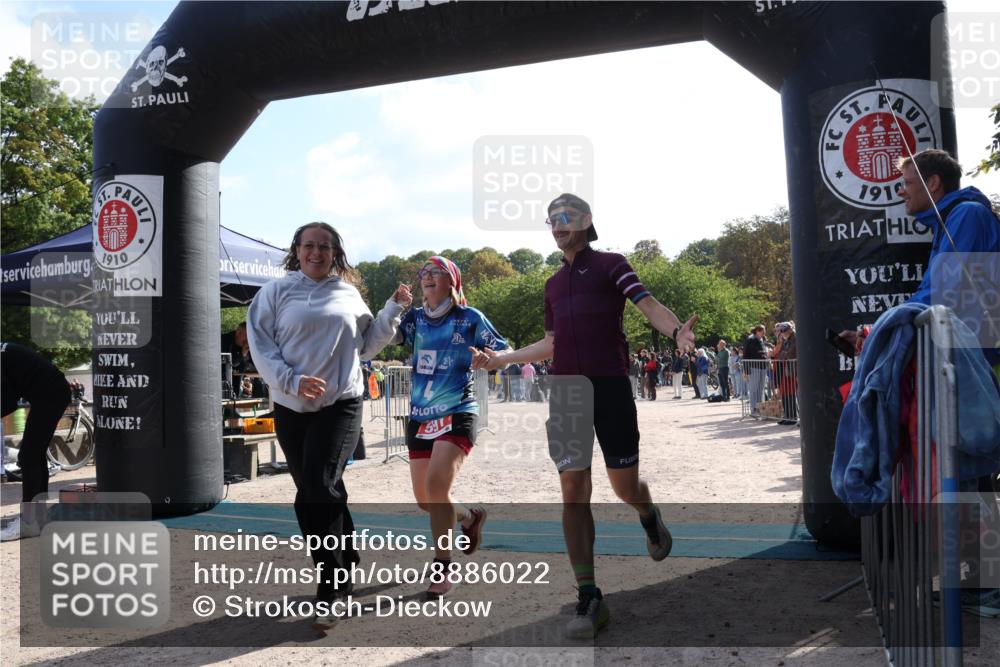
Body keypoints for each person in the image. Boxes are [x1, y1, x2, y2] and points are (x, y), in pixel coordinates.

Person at [470, 193, 697, 639]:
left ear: (587, 220)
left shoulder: (612, 263)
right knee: (573, 490)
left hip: (610, 387)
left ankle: (648, 514)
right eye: (551, 219)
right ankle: (589, 595)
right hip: (567, 393)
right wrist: (504, 358)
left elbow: (648, 305)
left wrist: (676, 330)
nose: (557, 224)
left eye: (565, 216)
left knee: (623, 486)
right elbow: (550, 343)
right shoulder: (552, 284)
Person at [246, 222, 410, 630]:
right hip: (291, 405)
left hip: (341, 403)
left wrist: (392, 309)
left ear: (335, 253)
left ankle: (332, 587)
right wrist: (291, 380)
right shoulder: (275, 292)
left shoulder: (347, 293)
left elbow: (367, 345)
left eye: (324, 247)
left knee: (318, 488)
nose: (316, 252)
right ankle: (346, 556)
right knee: (316, 491)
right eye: (309, 246)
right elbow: (260, 344)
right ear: (296, 250)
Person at [392, 256, 507, 597]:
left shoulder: (469, 318)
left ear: (451, 282)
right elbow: (381, 336)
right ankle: (470, 518)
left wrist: (490, 359)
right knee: (427, 500)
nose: (427, 277)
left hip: (458, 410)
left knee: (437, 486)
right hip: (420, 415)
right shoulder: (413, 320)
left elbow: (503, 349)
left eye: (435, 273)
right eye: (423, 273)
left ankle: (442, 565)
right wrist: (393, 307)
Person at [0, 342, 71, 541]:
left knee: (28, 457)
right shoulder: (4, 351)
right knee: (35, 455)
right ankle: (38, 518)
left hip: (50, 394)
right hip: (51, 391)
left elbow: (7, 398)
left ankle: (29, 523)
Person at [773, 322, 798, 425]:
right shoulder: (785, 340)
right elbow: (780, 354)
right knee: (784, 393)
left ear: (789, 330)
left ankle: (792, 417)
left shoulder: (795, 338)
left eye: (783, 331)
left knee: (791, 393)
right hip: (785, 369)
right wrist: (783, 354)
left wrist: (783, 354)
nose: (781, 333)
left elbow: (790, 354)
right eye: (781, 331)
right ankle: (787, 415)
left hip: (792, 369)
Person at [744, 325, 768, 414]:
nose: (764, 333)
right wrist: (746, 370)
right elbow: (745, 355)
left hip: (763, 367)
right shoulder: (750, 340)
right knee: (753, 389)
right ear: (757, 331)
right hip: (754, 367)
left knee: (761, 389)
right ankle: (753, 408)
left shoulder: (762, 339)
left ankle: (759, 407)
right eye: (763, 331)